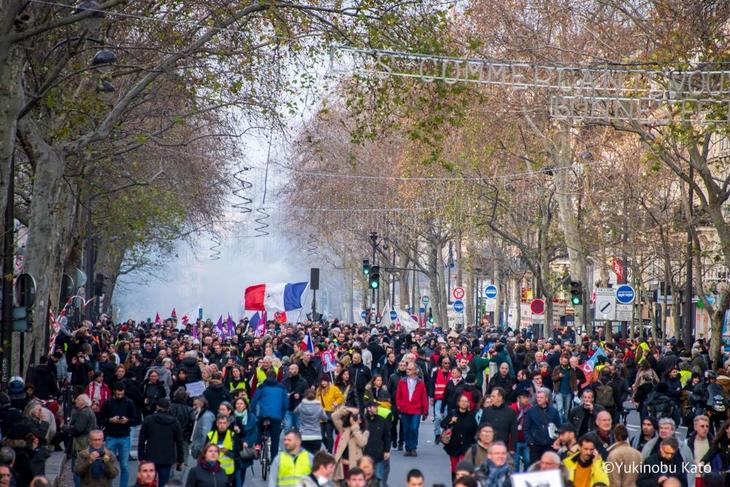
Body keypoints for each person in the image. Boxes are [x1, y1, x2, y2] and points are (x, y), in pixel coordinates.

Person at [99, 383, 140, 487]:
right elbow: (100, 419)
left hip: (124, 436)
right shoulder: (107, 403)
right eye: (118, 393)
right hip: (111, 436)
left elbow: (135, 419)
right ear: (114, 391)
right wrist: (110, 420)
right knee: (108, 464)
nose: (120, 395)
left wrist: (127, 420)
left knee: (124, 465)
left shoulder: (129, 403)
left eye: (122, 393)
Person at [138, 398, 184, 487]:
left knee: (149, 482)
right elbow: (179, 442)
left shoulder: (149, 420)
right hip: (167, 457)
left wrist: (141, 456)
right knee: (164, 482)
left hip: (151, 455)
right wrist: (180, 460)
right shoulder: (175, 422)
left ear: (157, 407)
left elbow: (142, 439)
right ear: (168, 408)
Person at [249, 369, 288, 458]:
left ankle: (258, 445)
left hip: (263, 415)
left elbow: (254, 401)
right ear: (276, 377)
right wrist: (281, 416)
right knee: (275, 439)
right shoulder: (282, 388)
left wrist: (252, 413)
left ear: (266, 377)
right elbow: (286, 404)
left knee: (259, 429)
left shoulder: (262, 387)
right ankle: (274, 459)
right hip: (276, 417)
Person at [395, 362, 428, 457]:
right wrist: (399, 406)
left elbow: (424, 397)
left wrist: (425, 411)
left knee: (414, 428)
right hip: (405, 409)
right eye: (407, 369)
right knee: (406, 429)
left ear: (415, 371)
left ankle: (413, 447)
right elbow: (398, 395)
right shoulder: (402, 381)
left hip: (416, 409)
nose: (407, 370)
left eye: (409, 369)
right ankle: (408, 448)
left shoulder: (420, 382)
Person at [441, 394, 478, 476]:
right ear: (458, 403)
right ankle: (455, 481)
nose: (464, 403)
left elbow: (475, 430)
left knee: (463, 468)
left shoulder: (471, 416)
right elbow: (443, 424)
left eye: (466, 401)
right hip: (453, 445)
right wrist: (451, 422)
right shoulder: (453, 413)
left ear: (468, 403)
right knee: (454, 469)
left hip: (466, 446)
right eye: (462, 401)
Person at [332, 407, 369, 484]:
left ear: (361, 420)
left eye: (356, 417)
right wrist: (348, 410)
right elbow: (334, 416)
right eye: (353, 417)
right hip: (341, 466)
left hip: (354, 466)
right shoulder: (344, 429)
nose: (354, 419)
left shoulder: (364, 432)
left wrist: (355, 428)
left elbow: (362, 443)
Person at [67, 395, 98, 487]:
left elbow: (78, 429)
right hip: (86, 443)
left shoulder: (83, 413)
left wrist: (66, 428)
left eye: (78, 399)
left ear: (83, 402)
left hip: (81, 444)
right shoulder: (89, 411)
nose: (75, 401)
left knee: (77, 469)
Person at [524, 388, 560, 463]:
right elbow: (526, 428)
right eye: (538, 397)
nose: (539, 399)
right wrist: (530, 442)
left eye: (541, 397)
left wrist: (556, 441)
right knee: (535, 468)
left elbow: (559, 427)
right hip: (535, 446)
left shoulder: (554, 411)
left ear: (546, 399)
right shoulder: (531, 411)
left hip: (549, 446)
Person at [479, 388, 517, 453]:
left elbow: (514, 433)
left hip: (502, 448)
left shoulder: (510, 412)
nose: (491, 398)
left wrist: (513, 449)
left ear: (500, 398)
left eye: (493, 396)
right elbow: (480, 429)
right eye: (491, 396)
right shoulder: (486, 411)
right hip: (487, 448)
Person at [362, 400, 391, 486]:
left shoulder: (382, 421)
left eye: (377, 407)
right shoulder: (362, 421)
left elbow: (387, 437)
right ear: (368, 408)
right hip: (365, 456)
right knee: (365, 479)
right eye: (374, 407)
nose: (376, 408)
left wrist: (387, 451)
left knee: (380, 479)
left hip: (379, 455)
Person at [316, 376, 344, 452]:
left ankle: (330, 451)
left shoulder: (334, 388)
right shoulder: (318, 390)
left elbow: (341, 397)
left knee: (329, 434)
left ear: (328, 381)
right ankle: (328, 446)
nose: (323, 383)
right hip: (321, 415)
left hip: (330, 414)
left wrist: (336, 403)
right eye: (322, 381)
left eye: (325, 381)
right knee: (321, 435)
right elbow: (316, 400)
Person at [295, 388, 328, 453]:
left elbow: (295, 412)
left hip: (303, 436)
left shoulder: (301, 405)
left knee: (304, 457)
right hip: (316, 436)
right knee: (314, 457)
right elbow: (325, 418)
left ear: (305, 396)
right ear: (315, 396)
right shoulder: (319, 407)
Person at [430, 357, 451, 444]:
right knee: (438, 418)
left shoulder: (452, 373)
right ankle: (437, 434)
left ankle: (444, 435)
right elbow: (432, 384)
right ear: (442, 364)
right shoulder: (436, 372)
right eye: (445, 363)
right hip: (438, 398)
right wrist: (431, 397)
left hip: (448, 400)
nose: (447, 365)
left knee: (446, 418)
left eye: (448, 363)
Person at [551, 353, 577, 423]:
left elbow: (574, 381)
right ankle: (560, 423)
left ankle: (565, 423)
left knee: (567, 409)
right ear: (561, 361)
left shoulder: (571, 369)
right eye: (563, 361)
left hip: (568, 392)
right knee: (560, 408)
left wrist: (575, 390)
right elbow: (553, 378)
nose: (565, 363)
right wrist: (558, 376)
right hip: (559, 392)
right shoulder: (557, 368)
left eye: (566, 361)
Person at [687, 415, 712, 482]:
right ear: (695, 427)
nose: (705, 428)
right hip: (693, 478)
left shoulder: (714, 443)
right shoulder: (688, 443)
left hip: (710, 479)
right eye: (702, 426)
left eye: (707, 426)